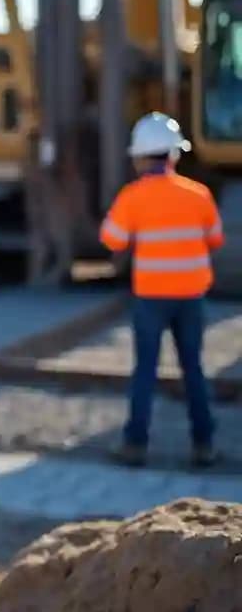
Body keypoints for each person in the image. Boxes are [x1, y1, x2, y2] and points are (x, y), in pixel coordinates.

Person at [101, 112, 221, 469]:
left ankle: (135, 446)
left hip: (151, 297)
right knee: (194, 371)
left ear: (140, 157)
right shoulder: (199, 194)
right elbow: (215, 239)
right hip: (191, 297)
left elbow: (112, 240)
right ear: (174, 155)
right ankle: (205, 447)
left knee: (145, 371)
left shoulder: (132, 196)